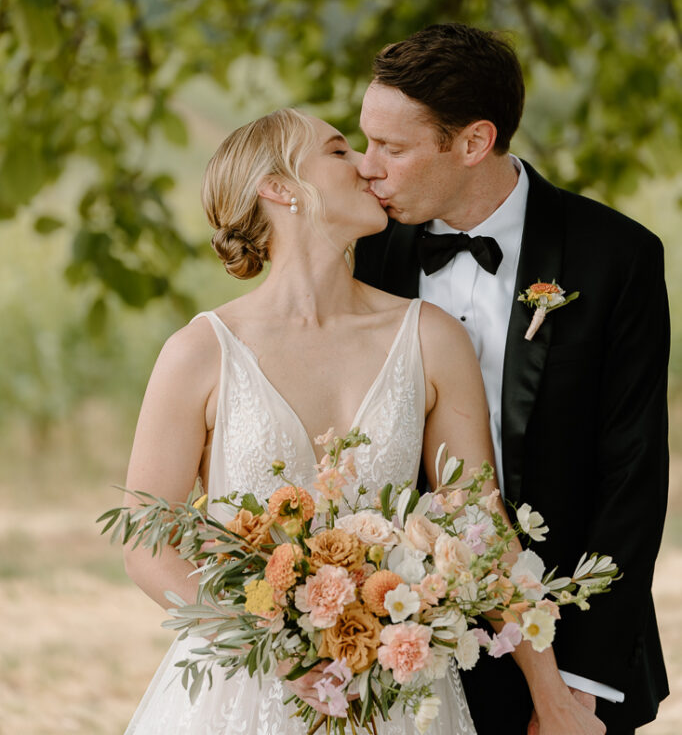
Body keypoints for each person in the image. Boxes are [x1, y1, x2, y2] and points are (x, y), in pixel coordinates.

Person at [121, 108, 604, 735]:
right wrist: (278, 652)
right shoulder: (201, 351)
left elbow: (481, 523)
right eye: (340, 151)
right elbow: (144, 542)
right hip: (242, 694)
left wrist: (551, 693)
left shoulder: (431, 337)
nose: (368, 167)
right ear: (280, 187)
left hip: (398, 689)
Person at [353, 22, 670, 735]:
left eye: (392, 148)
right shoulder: (361, 254)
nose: (367, 167)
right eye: (364, 140)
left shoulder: (615, 257)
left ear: (472, 143)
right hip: (397, 639)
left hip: (569, 633)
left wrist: (572, 684)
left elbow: (633, 477)